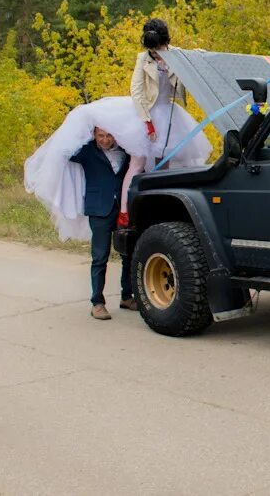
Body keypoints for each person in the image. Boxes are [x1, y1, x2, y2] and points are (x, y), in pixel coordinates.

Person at [118, 18, 212, 225]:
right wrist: (147, 122)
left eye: (159, 48)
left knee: (163, 164)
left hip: (168, 113)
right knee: (137, 162)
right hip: (146, 111)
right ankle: (124, 211)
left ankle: (157, 209)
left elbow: (196, 55)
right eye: (153, 50)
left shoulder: (175, 54)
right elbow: (136, 91)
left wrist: (206, 56)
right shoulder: (142, 59)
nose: (157, 53)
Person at [70, 127, 136, 320]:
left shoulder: (125, 149)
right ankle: (97, 303)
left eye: (109, 136)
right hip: (99, 209)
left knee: (129, 253)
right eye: (101, 136)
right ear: (94, 135)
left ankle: (127, 296)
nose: (105, 140)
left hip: (123, 209)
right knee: (100, 257)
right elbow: (64, 152)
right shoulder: (87, 151)